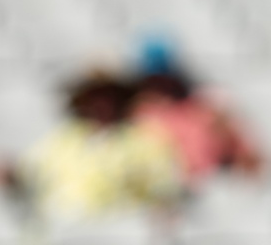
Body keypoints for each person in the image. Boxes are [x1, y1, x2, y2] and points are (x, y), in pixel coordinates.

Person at [20, 69, 182, 220]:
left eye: (109, 96)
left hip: (122, 225)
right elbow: (30, 169)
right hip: (67, 226)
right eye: (95, 97)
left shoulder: (145, 138)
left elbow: (164, 184)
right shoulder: (64, 139)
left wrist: (162, 204)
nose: (103, 103)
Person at [130, 42, 258, 182]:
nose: (162, 87)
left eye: (165, 80)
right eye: (155, 82)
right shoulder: (141, 114)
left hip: (207, 178)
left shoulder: (201, 105)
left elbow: (242, 150)